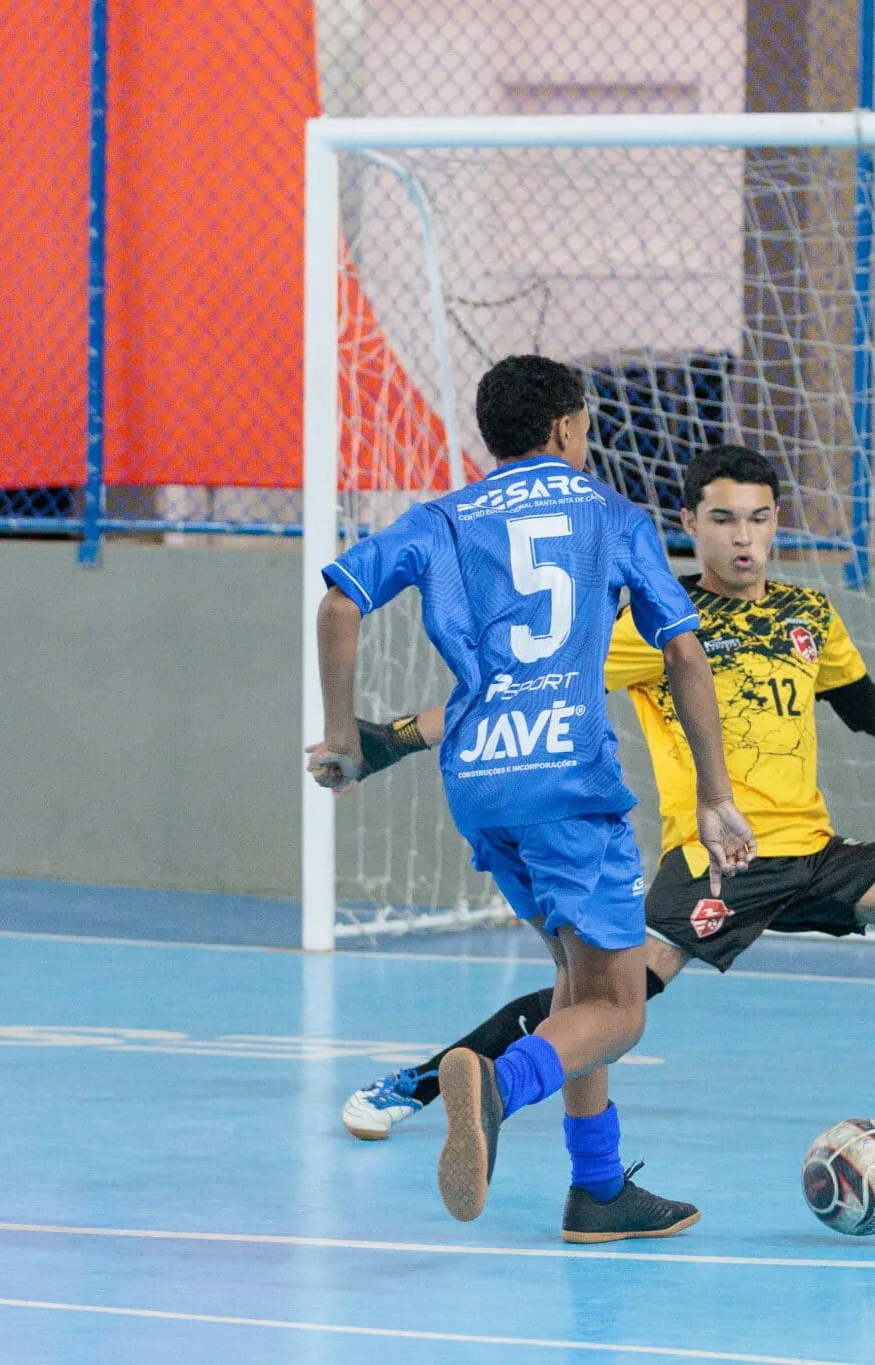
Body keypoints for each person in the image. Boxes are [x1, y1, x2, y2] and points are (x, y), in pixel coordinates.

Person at [336, 443, 875, 1146]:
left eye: (758, 518)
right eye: (721, 519)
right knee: (607, 998)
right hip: (718, 860)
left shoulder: (808, 615)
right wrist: (389, 740)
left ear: (776, 521)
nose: (743, 538)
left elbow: (865, 706)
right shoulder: (652, 622)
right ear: (688, 525)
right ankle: (426, 1082)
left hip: (814, 856)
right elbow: (511, 688)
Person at [308, 356, 755, 1243]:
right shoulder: (613, 517)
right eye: (586, 426)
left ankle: (597, 1188)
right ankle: (498, 1086)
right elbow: (686, 654)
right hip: (567, 782)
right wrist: (715, 793)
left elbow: (337, 604)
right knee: (620, 1009)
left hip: (478, 779)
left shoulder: (444, 516)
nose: (588, 440)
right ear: (563, 429)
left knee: (576, 978)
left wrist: (345, 736)